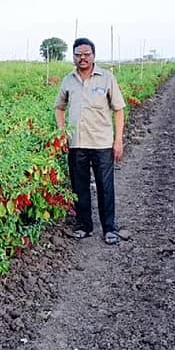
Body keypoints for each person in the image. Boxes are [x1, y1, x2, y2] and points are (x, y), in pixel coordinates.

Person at [54, 37, 126, 245]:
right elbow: (59, 107)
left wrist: (118, 140)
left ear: (94, 55)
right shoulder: (68, 80)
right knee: (80, 186)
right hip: (76, 143)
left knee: (105, 186)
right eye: (78, 54)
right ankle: (84, 225)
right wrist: (61, 133)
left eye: (86, 54)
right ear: (73, 56)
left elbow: (119, 109)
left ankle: (109, 229)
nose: (82, 58)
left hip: (102, 142)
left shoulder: (106, 78)